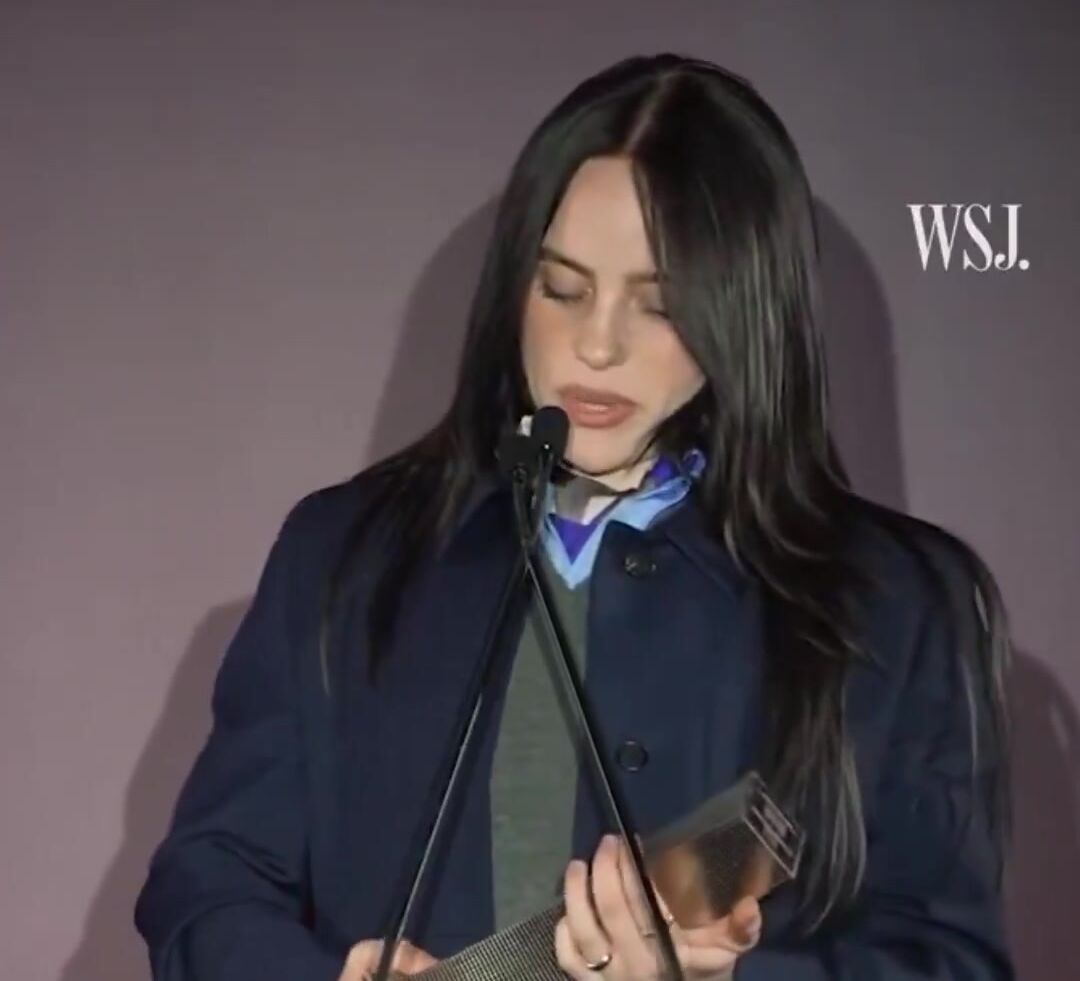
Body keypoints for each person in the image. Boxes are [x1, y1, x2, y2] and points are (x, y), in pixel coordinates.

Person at [134, 53, 1014, 981]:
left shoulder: (893, 600)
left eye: (661, 304)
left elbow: (948, 958)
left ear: (747, 313)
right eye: (562, 288)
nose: (596, 344)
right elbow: (207, 885)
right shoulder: (343, 555)